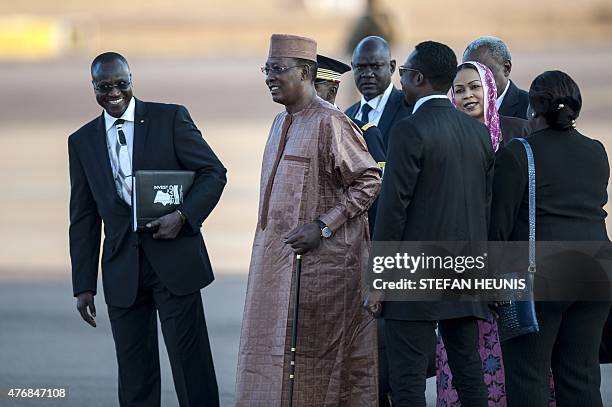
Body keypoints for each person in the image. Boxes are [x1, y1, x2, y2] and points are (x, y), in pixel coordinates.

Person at [68, 52, 226, 406]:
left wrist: (183, 216)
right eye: (104, 86)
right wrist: (83, 285)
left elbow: (213, 173)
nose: (114, 92)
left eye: (121, 84)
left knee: (192, 370)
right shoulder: (81, 141)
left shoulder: (170, 118)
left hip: (174, 263)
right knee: (135, 375)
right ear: (93, 87)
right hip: (122, 270)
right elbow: (83, 218)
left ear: (132, 80)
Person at [235, 34, 381, 406]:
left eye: (278, 69)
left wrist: (323, 226)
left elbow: (368, 181)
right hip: (275, 271)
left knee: (320, 371)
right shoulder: (278, 123)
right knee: (271, 360)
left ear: (305, 73)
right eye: (266, 68)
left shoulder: (331, 122)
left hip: (321, 276)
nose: (270, 77)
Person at [366, 41, 492, 407]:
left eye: (403, 73)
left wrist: (378, 279)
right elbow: (483, 209)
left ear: (418, 78)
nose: (401, 80)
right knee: (469, 374)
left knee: (407, 383)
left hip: (413, 276)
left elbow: (393, 210)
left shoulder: (408, 130)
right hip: (464, 272)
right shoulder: (478, 133)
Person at [490, 70, 612, 406]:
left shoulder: (519, 152)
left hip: (540, 279)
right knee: (582, 377)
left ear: (533, 108)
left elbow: (498, 229)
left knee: (528, 378)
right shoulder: (596, 151)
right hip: (596, 275)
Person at [315, 53, 385, 234]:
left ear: (332, 89)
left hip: (348, 239)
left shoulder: (364, 132)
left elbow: (374, 196)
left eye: (315, 85)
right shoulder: (295, 132)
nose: (307, 93)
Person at [345, 36, 412, 147]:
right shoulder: (348, 115)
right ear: (353, 67)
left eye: (375, 66)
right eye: (360, 67)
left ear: (391, 67)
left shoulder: (410, 107)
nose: (367, 74)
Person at [452, 61, 529, 150]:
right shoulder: (447, 137)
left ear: (489, 89)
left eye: (475, 86)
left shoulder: (521, 129)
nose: (467, 95)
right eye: (459, 91)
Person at [463, 36, 529, 119]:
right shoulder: (460, 111)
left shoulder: (531, 109)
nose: (476, 81)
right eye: (470, 74)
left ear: (506, 68)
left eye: (485, 73)